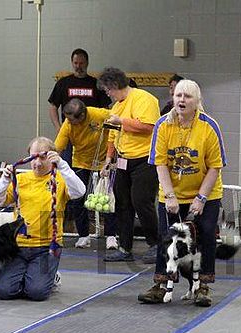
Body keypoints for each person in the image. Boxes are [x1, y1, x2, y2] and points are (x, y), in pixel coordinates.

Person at [138, 79, 226, 307]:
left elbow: (215, 166)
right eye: (178, 95)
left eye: (187, 96)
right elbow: (160, 164)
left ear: (197, 101)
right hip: (171, 192)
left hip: (206, 192)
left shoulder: (209, 126)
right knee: (166, 239)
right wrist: (169, 195)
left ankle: (202, 286)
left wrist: (201, 198)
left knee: (205, 235)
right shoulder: (162, 125)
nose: (181, 100)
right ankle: (161, 284)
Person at [0, 137, 86, 301]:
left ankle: (51, 277)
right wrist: (4, 180)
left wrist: (63, 165)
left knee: (37, 293)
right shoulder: (20, 180)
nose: (38, 163)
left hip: (47, 246)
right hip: (17, 246)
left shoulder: (60, 179)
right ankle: (30, 276)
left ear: (51, 157)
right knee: (4, 292)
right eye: (34, 157)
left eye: (43, 157)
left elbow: (80, 192)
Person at [97, 67, 160, 263]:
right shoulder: (115, 107)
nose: (107, 93)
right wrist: (108, 160)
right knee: (122, 204)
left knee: (142, 201)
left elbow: (148, 126)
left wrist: (121, 121)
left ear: (115, 85)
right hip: (123, 160)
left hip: (145, 159)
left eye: (107, 89)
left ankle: (156, 244)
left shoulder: (144, 99)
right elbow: (112, 135)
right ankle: (124, 247)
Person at [55, 98, 118, 249]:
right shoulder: (68, 125)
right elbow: (58, 147)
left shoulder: (99, 114)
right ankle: (83, 235)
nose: (69, 122)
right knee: (77, 198)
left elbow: (117, 120)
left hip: (104, 161)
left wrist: (112, 156)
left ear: (83, 115)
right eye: (67, 119)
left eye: (72, 120)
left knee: (107, 198)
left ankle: (111, 235)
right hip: (81, 162)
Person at [48, 48, 111, 165]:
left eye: (81, 63)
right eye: (75, 63)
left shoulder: (95, 84)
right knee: (66, 165)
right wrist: (58, 127)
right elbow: (53, 106)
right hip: (70, 132)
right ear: (72, 63)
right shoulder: (63, 83)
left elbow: (106, 110)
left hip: (91, 134)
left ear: (87, 63)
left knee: (89, 168)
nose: (78, 66)